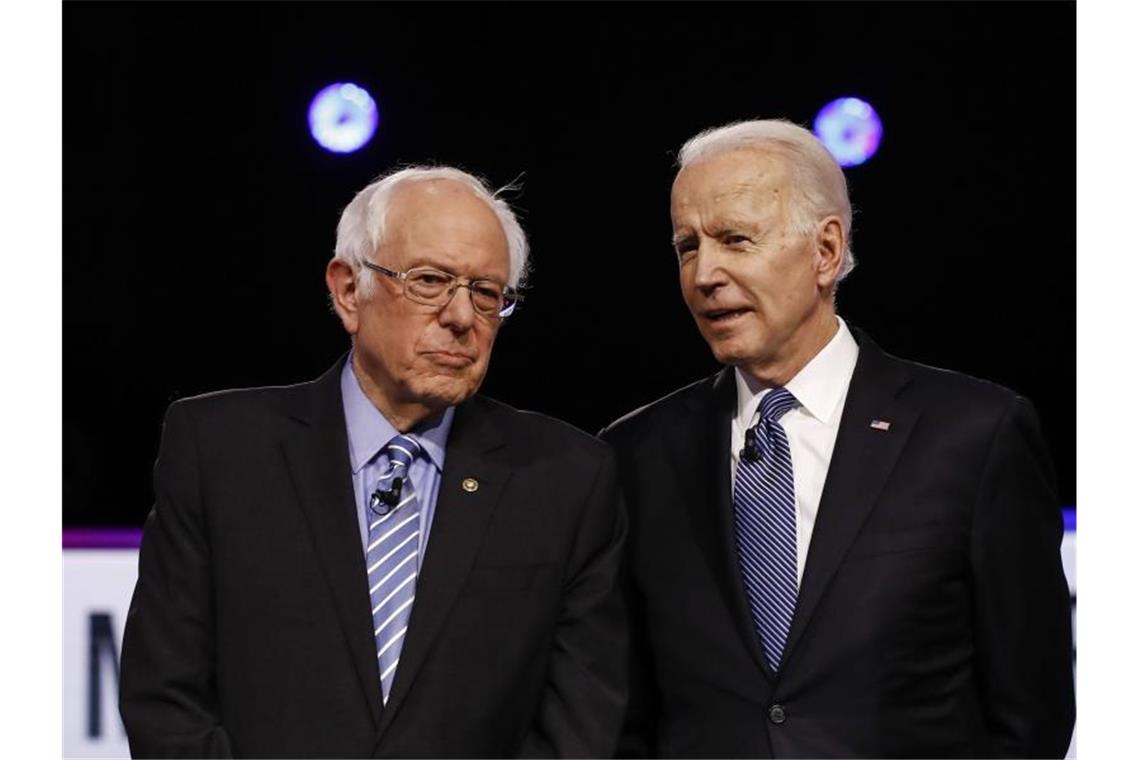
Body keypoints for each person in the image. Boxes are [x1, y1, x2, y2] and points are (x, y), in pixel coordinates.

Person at [601, 120, 1074, 758]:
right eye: (687, 246)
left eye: (736, 240)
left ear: (825, 251)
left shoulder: (974, 436)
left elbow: (1030, 717)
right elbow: (626, 713)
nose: (705, 273)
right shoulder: (636, 454)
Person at [120, 166, 627, 758]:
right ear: (346, 290)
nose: (462, 317)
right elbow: (165, 700)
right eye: (430, 281)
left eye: (486, 294)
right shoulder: (219, 451)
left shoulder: (566, 478)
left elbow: (579, 725)